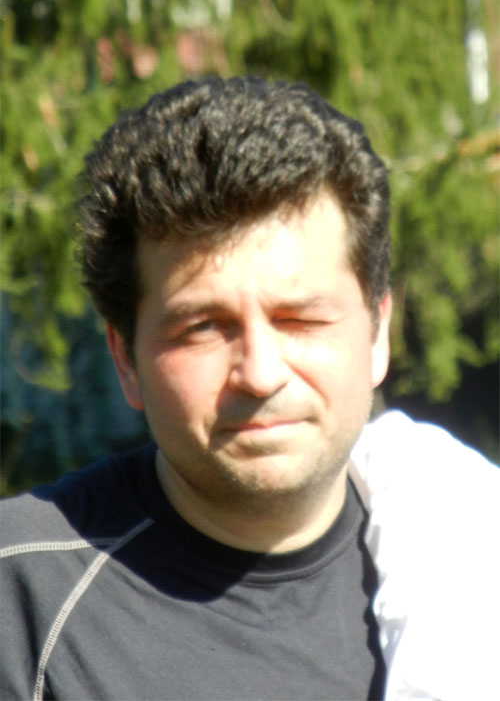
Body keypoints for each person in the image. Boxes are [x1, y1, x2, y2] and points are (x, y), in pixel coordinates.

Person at [1, 77, 498, 701]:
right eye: (203, 328)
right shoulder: (22, 602)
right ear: (125, 358)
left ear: (378, 333)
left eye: (301, 319)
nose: (261, 373)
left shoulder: (468, 568)